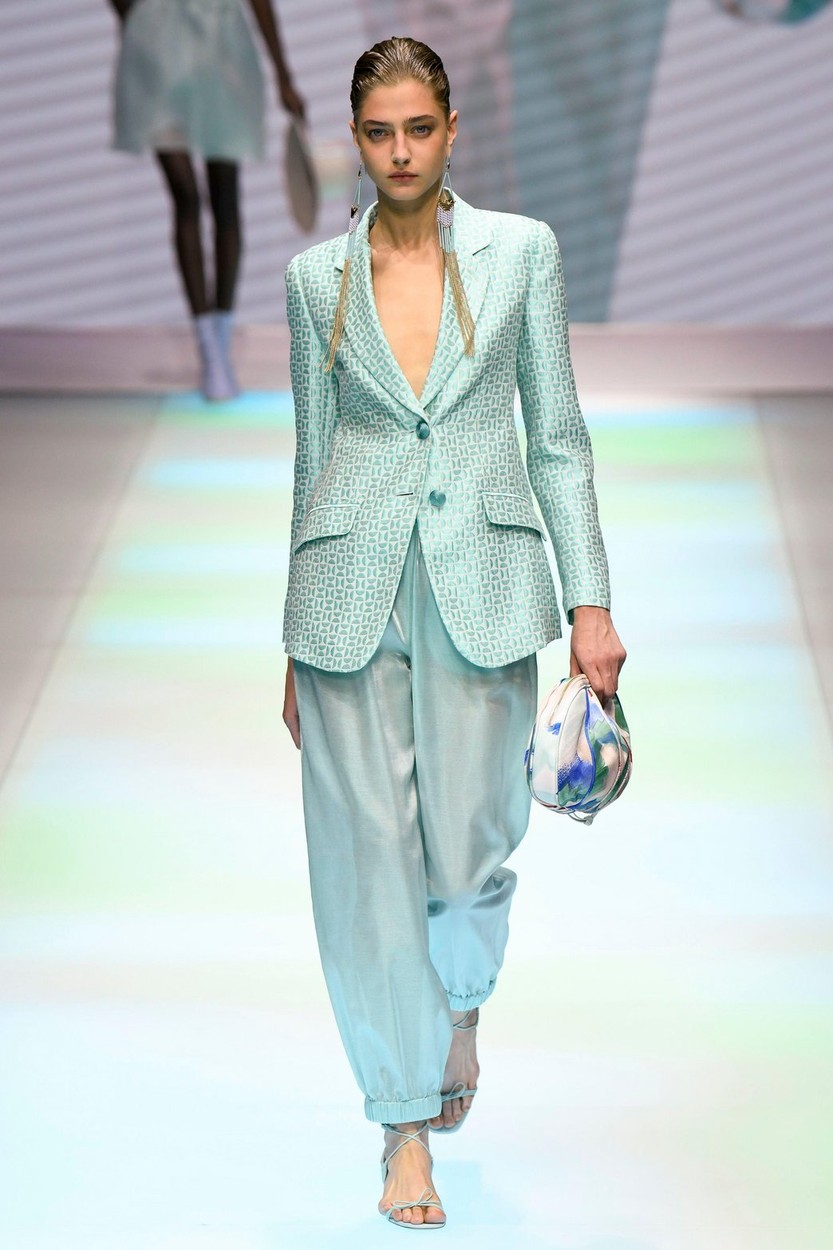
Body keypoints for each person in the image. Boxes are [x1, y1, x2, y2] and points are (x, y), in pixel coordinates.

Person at [281, 37, 625, 1229]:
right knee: (366, 862)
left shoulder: (519, 253)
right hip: (348, 596)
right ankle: (401, 1122)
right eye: (378, 133)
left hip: (483, 578)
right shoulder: (313, 279)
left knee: (470, 850)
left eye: (417, 129)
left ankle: (459, 999)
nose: (399, 153)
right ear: (355, 138)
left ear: (451, 128)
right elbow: (311, 460)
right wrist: (291, 637)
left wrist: (589, 600)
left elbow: (557, 438)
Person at [108, 0, 305, 400]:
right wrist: (134, 23)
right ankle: (208, 345)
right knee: (186, 195)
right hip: (159, 50)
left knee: (224, 198)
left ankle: (220, 337)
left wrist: (284, 75)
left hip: (221, 49)